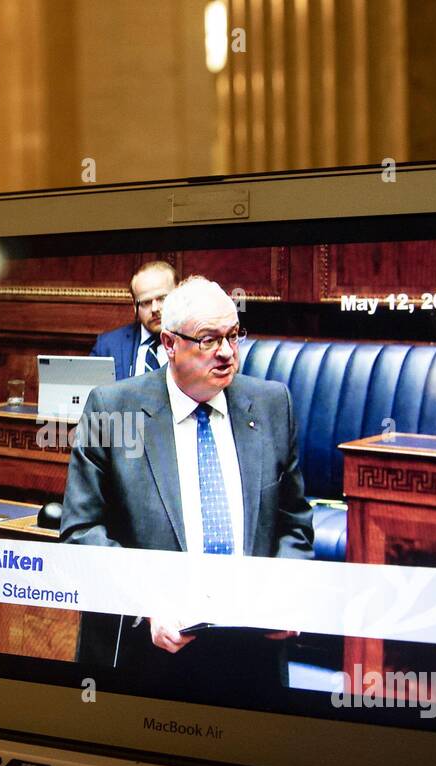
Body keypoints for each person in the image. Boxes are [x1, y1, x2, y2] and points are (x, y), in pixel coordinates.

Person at [60, 276, 314, 701]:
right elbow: (81, 531)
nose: (228, 353)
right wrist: (146, 602)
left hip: (250, 652)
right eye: (209, 339)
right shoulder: (113, 409)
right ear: (169, 344)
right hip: (148, 652)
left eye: (234, 336)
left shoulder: (271, 404)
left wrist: (284, 592)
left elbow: (294, 523)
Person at [90, 260, 176, 379]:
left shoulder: (197, 342)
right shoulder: (108, 346)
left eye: (162, 298)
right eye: (146, 302)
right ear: (134, 306)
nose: (155, 309)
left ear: (179, 294)